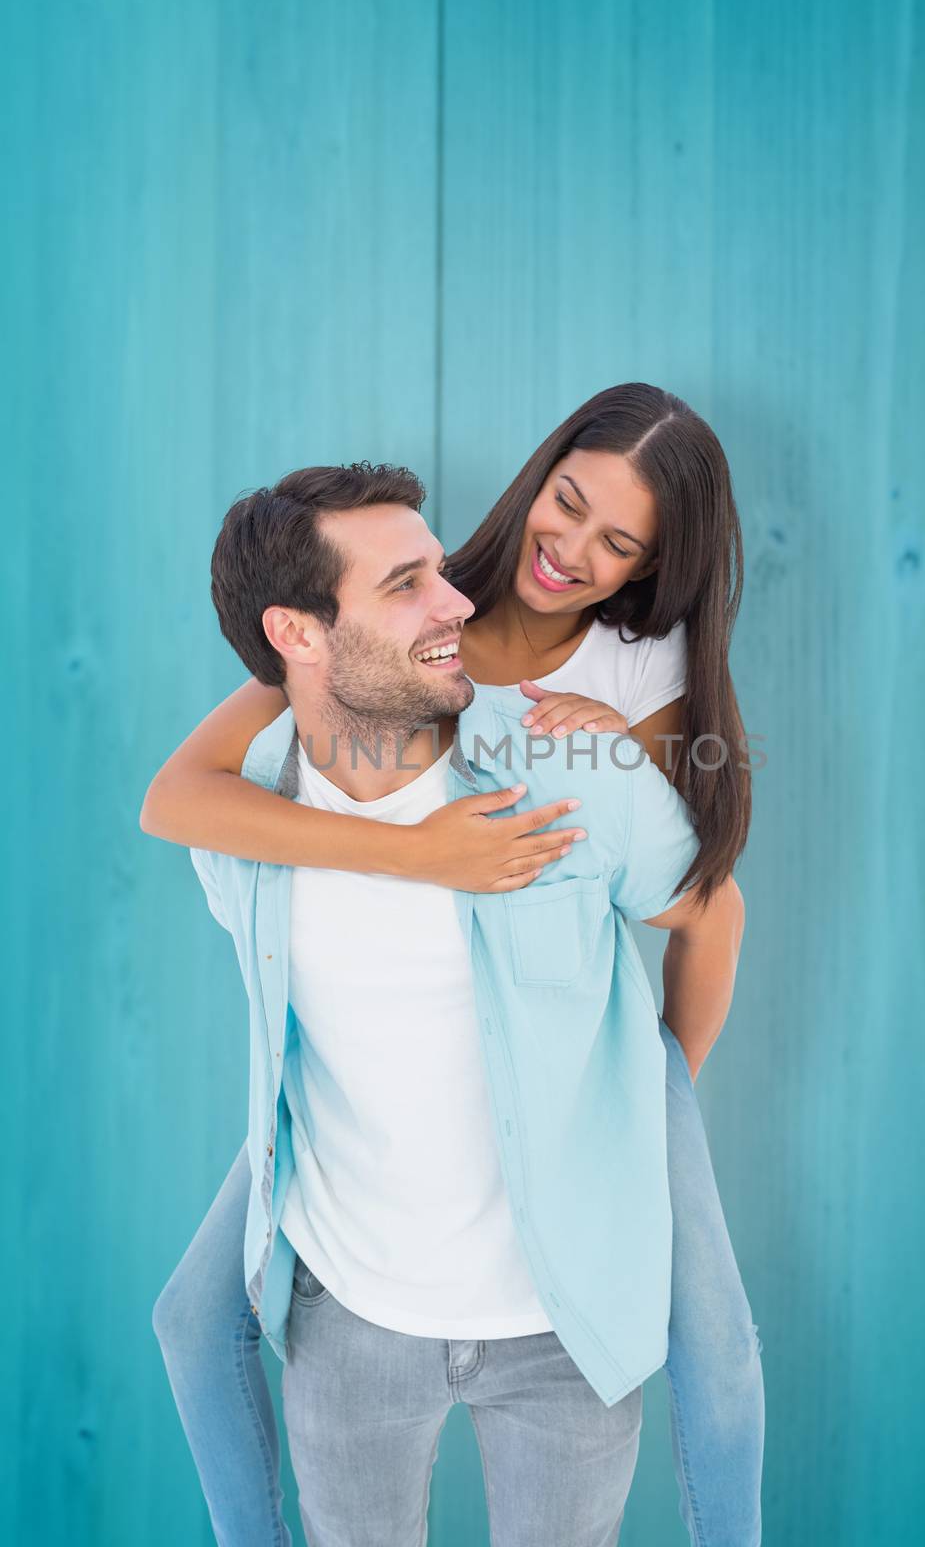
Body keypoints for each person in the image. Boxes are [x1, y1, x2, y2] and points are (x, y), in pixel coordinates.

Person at [143, 385, 764, 1546]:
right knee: (194, 1312)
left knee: (716, 1335)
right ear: (539, 478)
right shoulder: (414, 612)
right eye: (565, 504)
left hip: (578, 1034)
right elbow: (187, 793)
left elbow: (689, 895)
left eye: (617, 543)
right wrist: (412, 853)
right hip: (389, 1087)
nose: (570, 550)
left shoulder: (629, 693)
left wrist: (651, 1083)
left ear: (650, 568)